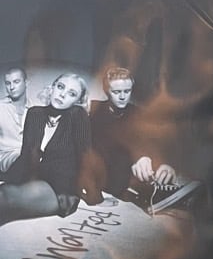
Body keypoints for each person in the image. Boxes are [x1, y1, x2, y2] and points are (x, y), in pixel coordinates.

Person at [84, 66, 191, 211]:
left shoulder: (138, 114)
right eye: (116, 92)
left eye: (127, 91)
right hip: (102, 171)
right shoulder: (93, 109)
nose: (123, 97)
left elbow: (154, 143)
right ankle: (150, 192)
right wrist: (137, 157)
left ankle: (159, 189)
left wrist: (164, 164)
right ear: (106, 90)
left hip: (128, 173)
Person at [0, 72, 92, 224]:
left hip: (60, 189)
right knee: (4, 192)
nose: (62, 94)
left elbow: (86, 157)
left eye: (72, 93)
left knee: (5, 197)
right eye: (60, 87)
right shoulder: (35, 113)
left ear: (78, 101)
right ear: (52, 87)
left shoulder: (78, 115)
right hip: (33, 180)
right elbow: (26, 156)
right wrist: (7, 179)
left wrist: (95, 197)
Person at [0, 65, 31, 172]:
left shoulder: (35, 109)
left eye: (16, 82)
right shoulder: (1, 107)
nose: (11, 87)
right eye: (8, 83)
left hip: (29, 156)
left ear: (26, 83)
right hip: (6, 157)